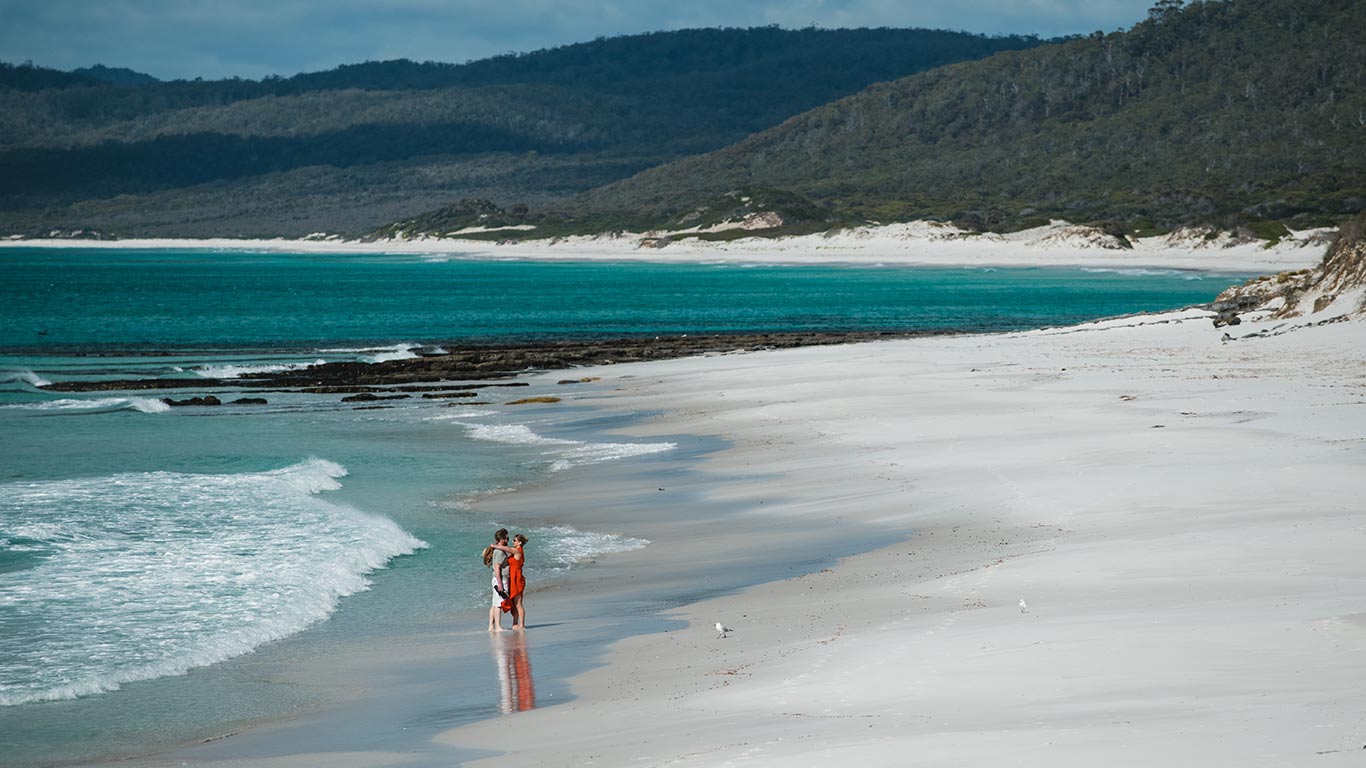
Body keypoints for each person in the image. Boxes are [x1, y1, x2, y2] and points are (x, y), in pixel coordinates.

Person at [491, 534, 528, 630]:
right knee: (514, 602)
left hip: (517, 578)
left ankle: (522, 624)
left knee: (518, 603)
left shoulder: (517, 550)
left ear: (520, 542)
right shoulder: (515, 551)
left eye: (515, 540)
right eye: (513, 540)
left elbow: (505, 548)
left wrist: (494, 546)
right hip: (512, 578)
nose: (513, 542)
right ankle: (515, 623)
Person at [487, 528, 511, 632]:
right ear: (502, 539)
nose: (508, 539)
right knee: (498, 604)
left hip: (497, 579)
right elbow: (496, 568)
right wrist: (500, 583)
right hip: (500, 579)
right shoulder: (499, 552)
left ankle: (491, 626)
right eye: (506, 537)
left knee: (494, 603)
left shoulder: (499, 550)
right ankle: (498, 626)